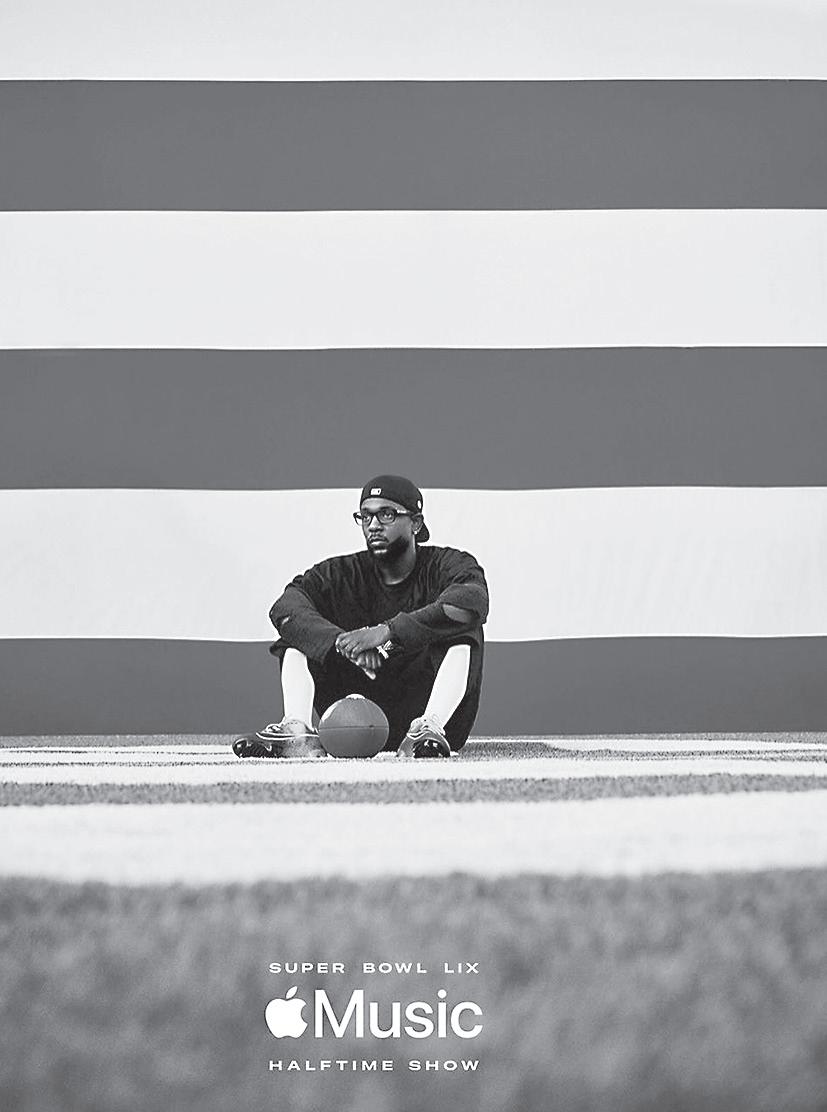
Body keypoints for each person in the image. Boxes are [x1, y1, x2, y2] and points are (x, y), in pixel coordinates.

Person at [232, 474, 489, 759]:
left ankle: (430, 725)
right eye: (366, 516)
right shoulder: (340, 573)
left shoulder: (447, 564)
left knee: (462, 626)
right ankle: (297, 730)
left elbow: (471, 602)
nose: (374, 525)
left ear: (416, 523)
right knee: (297, 631)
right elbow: (285, 608)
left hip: (426, 709)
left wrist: (388, 632)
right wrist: (342, 643)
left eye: (387, 514)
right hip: (349, 712)